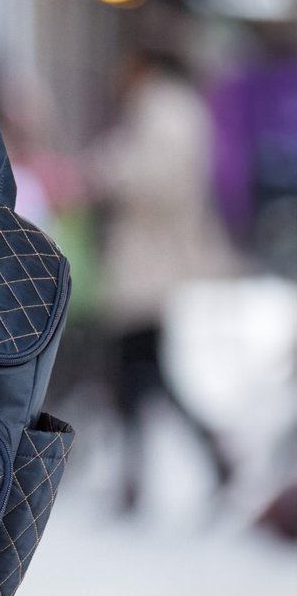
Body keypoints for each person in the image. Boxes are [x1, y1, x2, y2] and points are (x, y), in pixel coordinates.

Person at [88, 45, 238, 512]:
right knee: (140, 373)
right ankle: (161, 468)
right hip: (148, 263)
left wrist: (109, 173)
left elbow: (160, 179)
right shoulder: (167, 107)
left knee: (139, 371)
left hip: (150, 265)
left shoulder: (164, 109)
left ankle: (158, 470)